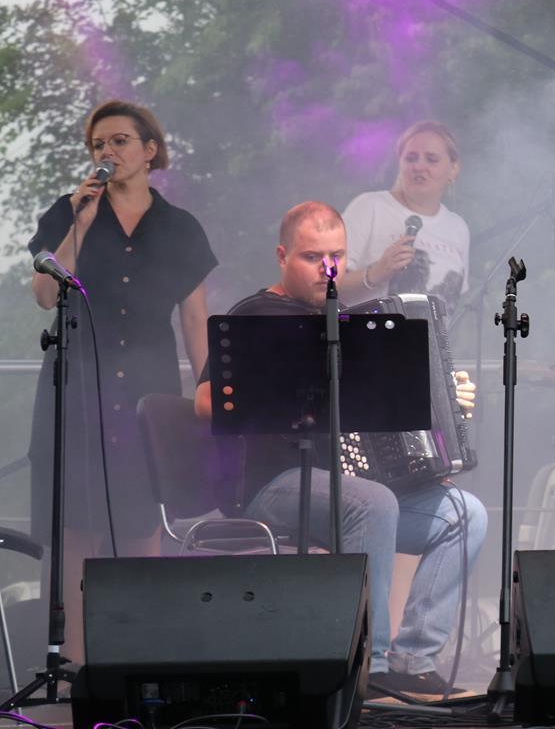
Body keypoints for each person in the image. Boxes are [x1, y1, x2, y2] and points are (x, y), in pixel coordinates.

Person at [194, 201, 487, 698]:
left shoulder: (351, 324)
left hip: (355, 494)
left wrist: (441, 400)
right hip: (270, 485)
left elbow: (383, 412)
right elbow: (205, 401)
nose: (327, 269)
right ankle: (368, 666)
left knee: (465, 514)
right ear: (283, 256)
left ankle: (413, 661)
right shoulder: (259, 315)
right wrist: (283, 391)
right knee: (375, 503)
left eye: (337, 256)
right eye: (312, 257)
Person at [26, 100, 216, 655]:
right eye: (98, 144)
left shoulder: (180, 227)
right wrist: (79, 225)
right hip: (78, 385)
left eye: (119, 141)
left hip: (146, 392)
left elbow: (195, 318)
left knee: (142, 518)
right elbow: (44, 295)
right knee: (76, 527)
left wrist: (207, 387)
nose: (106, 152)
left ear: (150, 150)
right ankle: (75, 664)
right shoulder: (71, 211)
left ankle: (139, 659)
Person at [339, 121, 469, 305]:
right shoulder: (370, 207)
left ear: (453, 169)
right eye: (411, 158)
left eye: (431, 159)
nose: (418, 166)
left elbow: (457, 303)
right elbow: (325, 288)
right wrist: (376, 272)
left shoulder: (458, 227)